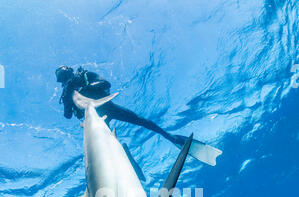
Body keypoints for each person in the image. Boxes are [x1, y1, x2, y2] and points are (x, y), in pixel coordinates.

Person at [55, 65, 223, 166]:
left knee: (143, 121)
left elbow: (106, 83)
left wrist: (85, 88)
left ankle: (172, 138)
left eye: (68, 76)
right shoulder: (67, 94)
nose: (68, 80)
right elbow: (68, 116)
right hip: (96, 120)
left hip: (109, 107)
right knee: (107, 147)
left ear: (72, 72)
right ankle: (124, 160)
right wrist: (69, 97)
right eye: (64, 79)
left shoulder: (85, 76)